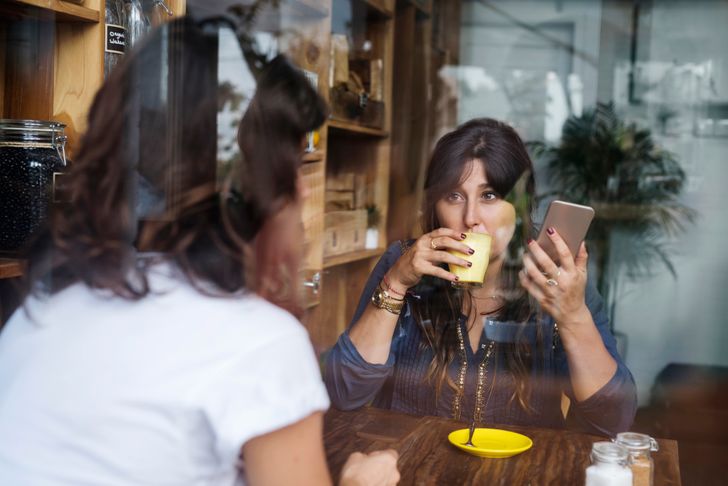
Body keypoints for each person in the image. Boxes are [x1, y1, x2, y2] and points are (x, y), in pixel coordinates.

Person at [0, 16, 399, 486]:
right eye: (290, 164)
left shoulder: (38, 315)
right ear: (247, 182)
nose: (304, 191)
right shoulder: (260, 343)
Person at [324, 118, 637, 436]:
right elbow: (344, 393)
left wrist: (573, 316)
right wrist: (396, 283)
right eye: (454, 197)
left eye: (489, 196)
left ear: (521, 204)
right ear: (435, 208)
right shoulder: (402, 265)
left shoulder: (559, 281)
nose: (470, 218)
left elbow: (613, 419)